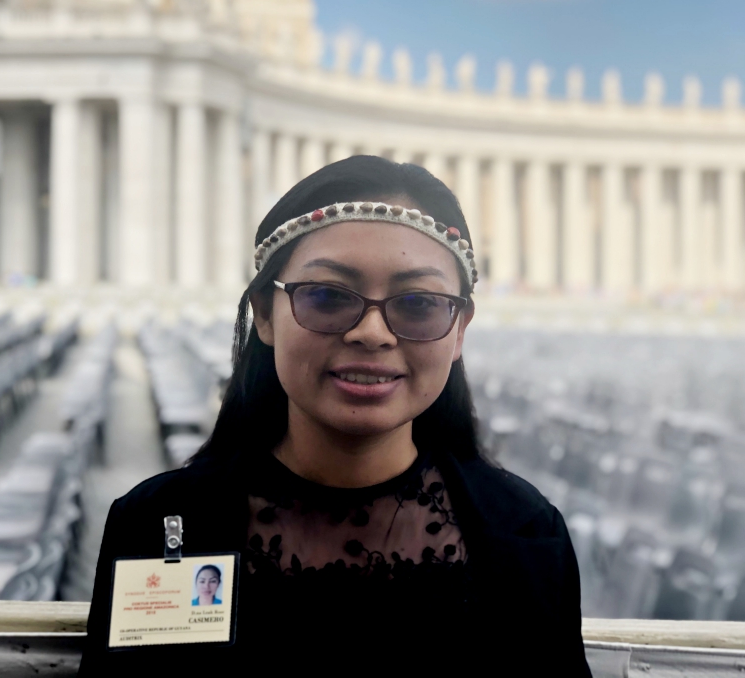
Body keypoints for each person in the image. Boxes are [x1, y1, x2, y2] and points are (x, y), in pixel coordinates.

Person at [79, 156, 591, 676]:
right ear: (264, 313)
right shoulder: (159, 526)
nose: (373, 333)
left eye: (418, 303)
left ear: (459, 329)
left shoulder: (526, 533)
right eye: (327, 296)